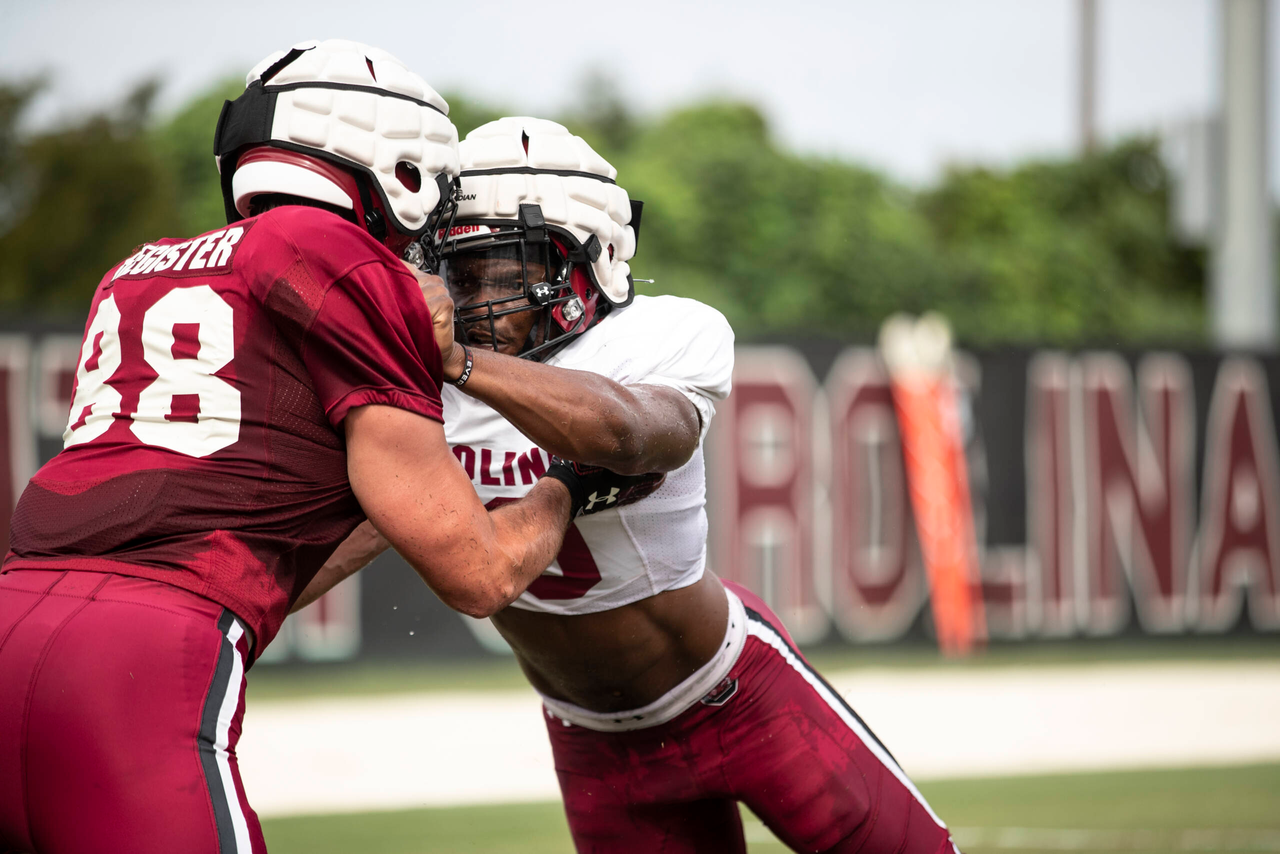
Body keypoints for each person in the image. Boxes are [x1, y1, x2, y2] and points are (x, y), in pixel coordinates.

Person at [0, 47, 654, 854]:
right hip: (141, 659)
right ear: (400, 167)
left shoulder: (134, 271)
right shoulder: (342, 261)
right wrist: (566, 485)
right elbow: (479, 574)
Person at [298, 117, 960, 853]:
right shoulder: (416, 387)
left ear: (593, 261)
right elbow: (342, 531)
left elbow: (636, 435)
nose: (476, 298)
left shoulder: (660, 336)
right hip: (589, 739)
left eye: (505, 272)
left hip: (738, 699)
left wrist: (462, 368)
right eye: (461, 272)